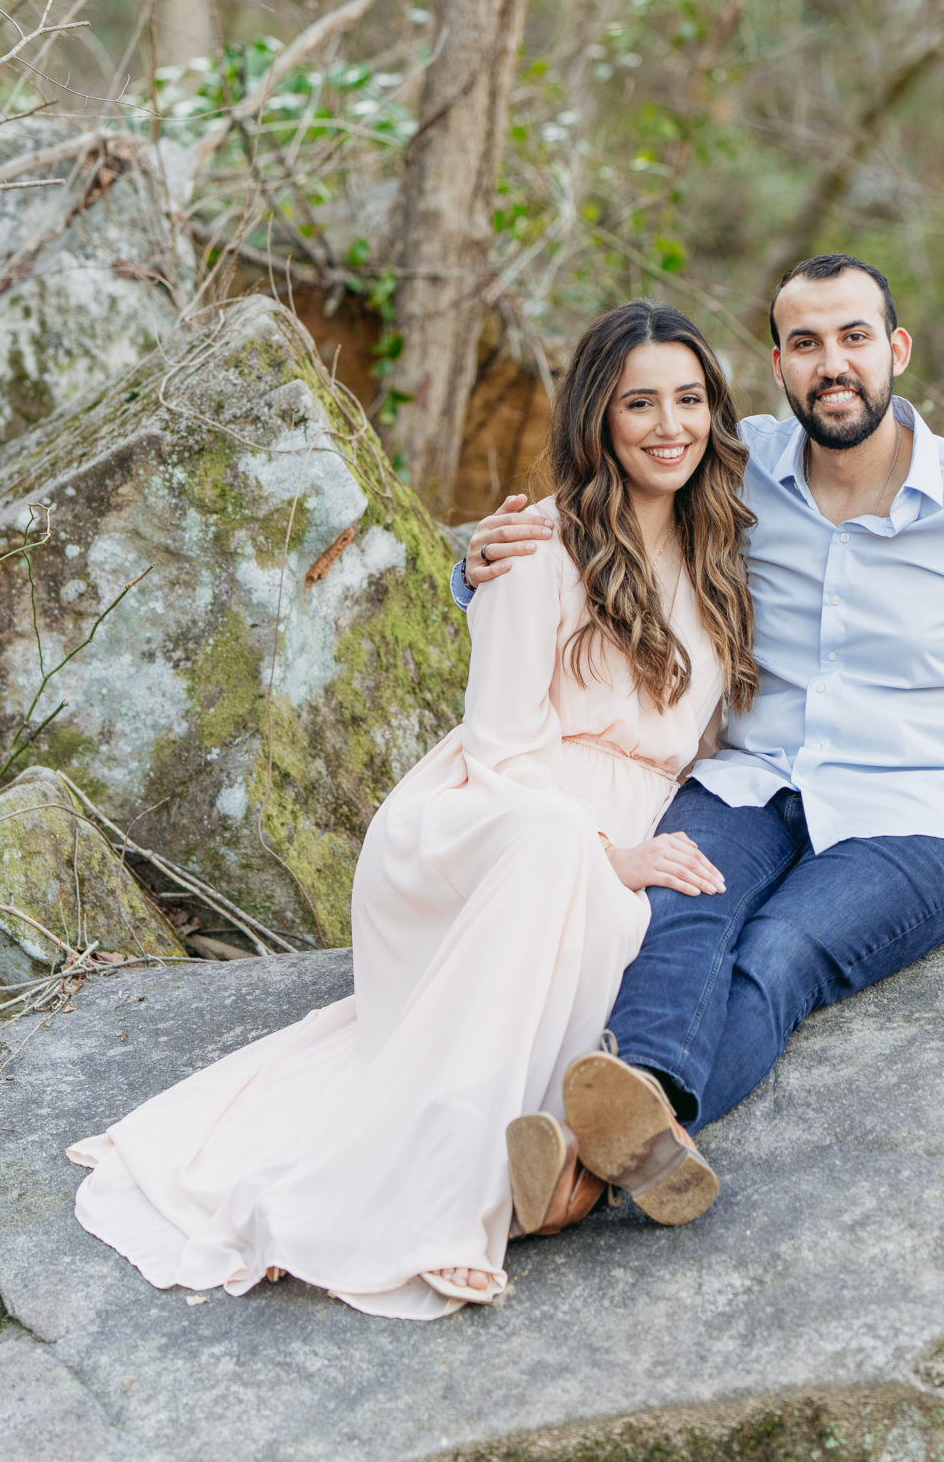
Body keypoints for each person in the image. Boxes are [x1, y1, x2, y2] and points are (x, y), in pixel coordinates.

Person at [459, 252, 944, 1215]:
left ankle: (582, 1174)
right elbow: (605, 519)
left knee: (778, 953)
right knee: (680, 912)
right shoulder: (736, 466)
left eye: (853, 337)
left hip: (916, 820)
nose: (831, 364)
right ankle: (615, 1139)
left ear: (894, 349)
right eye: (805, 343)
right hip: (753, 782)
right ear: (777, 364)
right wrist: (480, 571)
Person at [68, 300, 757, 1319]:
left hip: (616, 834)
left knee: (643, 937)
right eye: (640, 402)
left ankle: (551, 1175)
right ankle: (445, 1212)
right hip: (487, 822)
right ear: (597, 420)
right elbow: (501, 750)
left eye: (691, 400)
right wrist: (611, 855)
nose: (670, 425)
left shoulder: (717, 559)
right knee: (559, 857)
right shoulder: (538, 548)